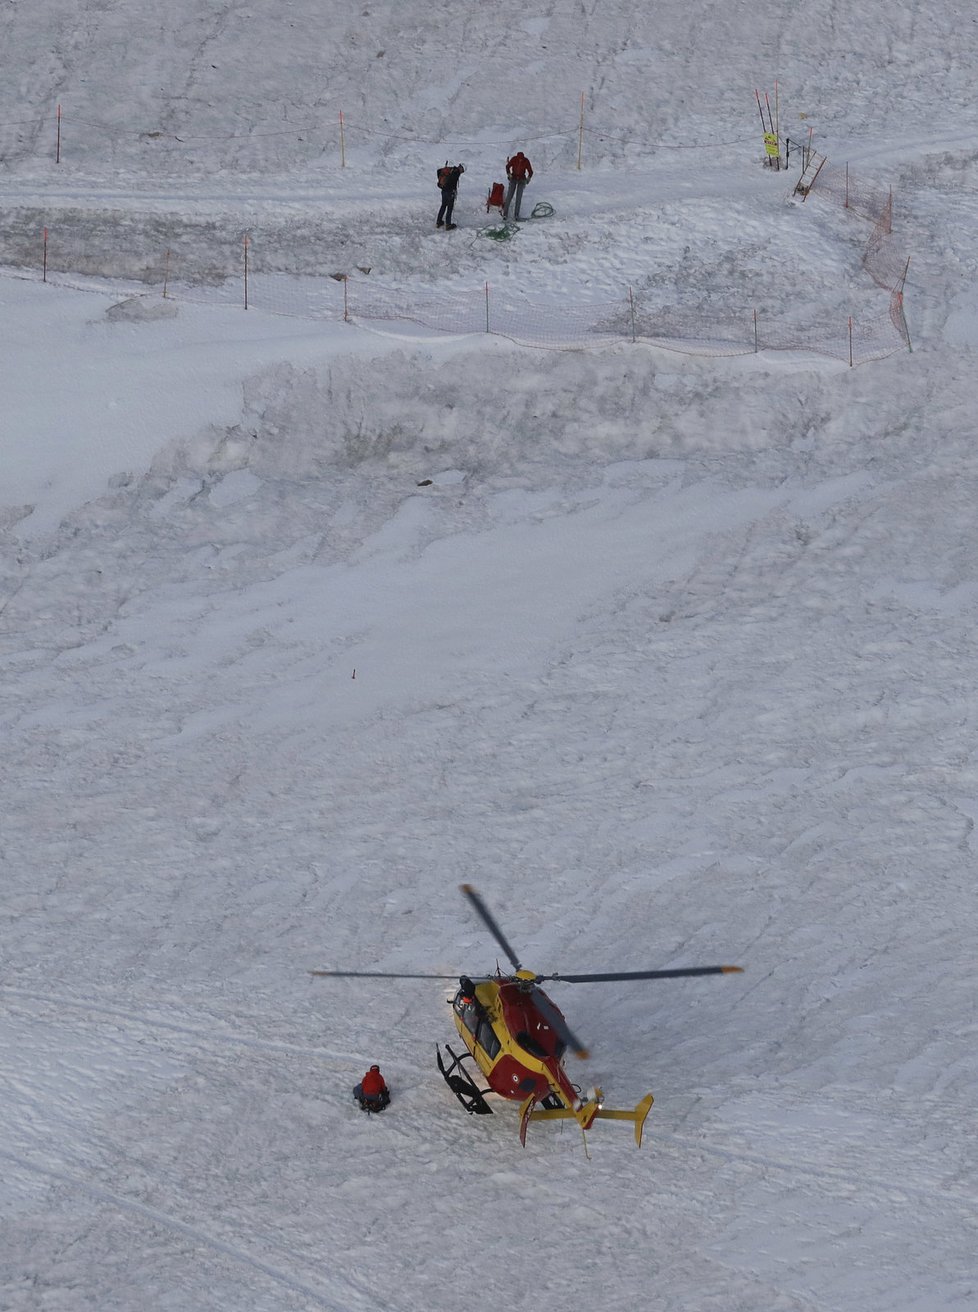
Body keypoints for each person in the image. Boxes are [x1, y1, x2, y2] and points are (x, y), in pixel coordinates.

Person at [503, 151, 533, 221]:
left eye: (521, 159)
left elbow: (530, 171)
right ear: (517, 157)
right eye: (519, 159)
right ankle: (505, 214)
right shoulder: (514, 159)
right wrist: (509, 174)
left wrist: (528, 178)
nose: (520, 160)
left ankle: (516, 215)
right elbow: (507, 167)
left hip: (522, 180)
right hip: (513, 178)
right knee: (509, 197)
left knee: (518, 198)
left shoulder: (526, 161)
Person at [436, 162, 465, 230]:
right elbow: (453, 182)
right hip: (450, 192)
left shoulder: (450, 169)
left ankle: (439, 221)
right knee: (450, 207)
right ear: (461, 168)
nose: (461, 172)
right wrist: (453, 191)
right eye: (462, 171)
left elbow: (438, 171)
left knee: (443, 205)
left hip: (443, 190)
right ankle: (448, 224)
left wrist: (441, 183)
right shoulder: (456, 172)